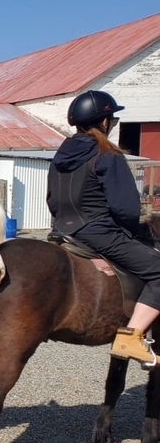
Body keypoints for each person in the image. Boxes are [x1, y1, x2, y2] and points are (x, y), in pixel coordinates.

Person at [46, 89, 159, 367]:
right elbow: (126, 209)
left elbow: (52, 200)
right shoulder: (107, 154)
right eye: (112, 119)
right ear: (105, 122)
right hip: (99, 232)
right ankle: (132, 337)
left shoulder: (60, 156)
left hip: (63, 230)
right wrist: (133, 231)